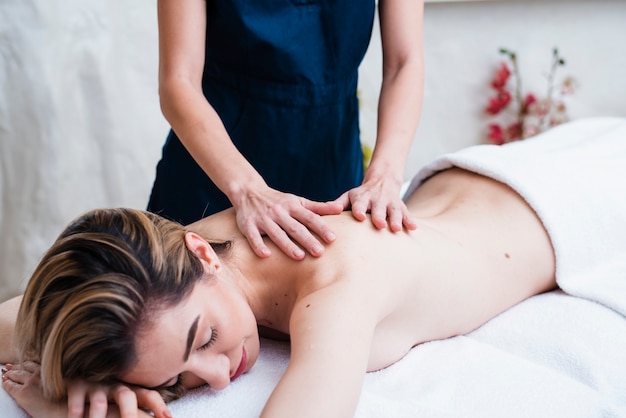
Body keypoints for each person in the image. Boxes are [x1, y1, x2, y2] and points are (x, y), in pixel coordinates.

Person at [2, 117, 625, 418]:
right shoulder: (182, 259)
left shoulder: (334, 292)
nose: (219, 378)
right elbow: (26, 315)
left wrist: (53, 412)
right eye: (180, 383)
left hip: (581, 198)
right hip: (456, 191)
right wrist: (79, 374)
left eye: (206, 340)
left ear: (199, 257)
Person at [146, 0, 425, 260]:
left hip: (331, 171)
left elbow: (404, 63)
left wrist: (385, 176)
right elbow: (178, 82)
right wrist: (247, 190)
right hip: (214, 174)